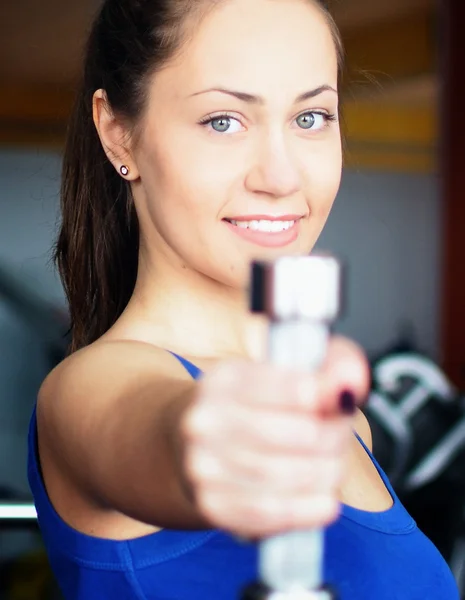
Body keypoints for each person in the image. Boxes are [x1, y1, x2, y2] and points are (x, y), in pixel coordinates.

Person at [27, 0, 459, 598]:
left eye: (311, 118)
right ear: (117, 132)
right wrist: (206, 440)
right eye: (223, 121)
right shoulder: (91, 388)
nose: (281, 178)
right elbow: (155, 431)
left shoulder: (343, 424)